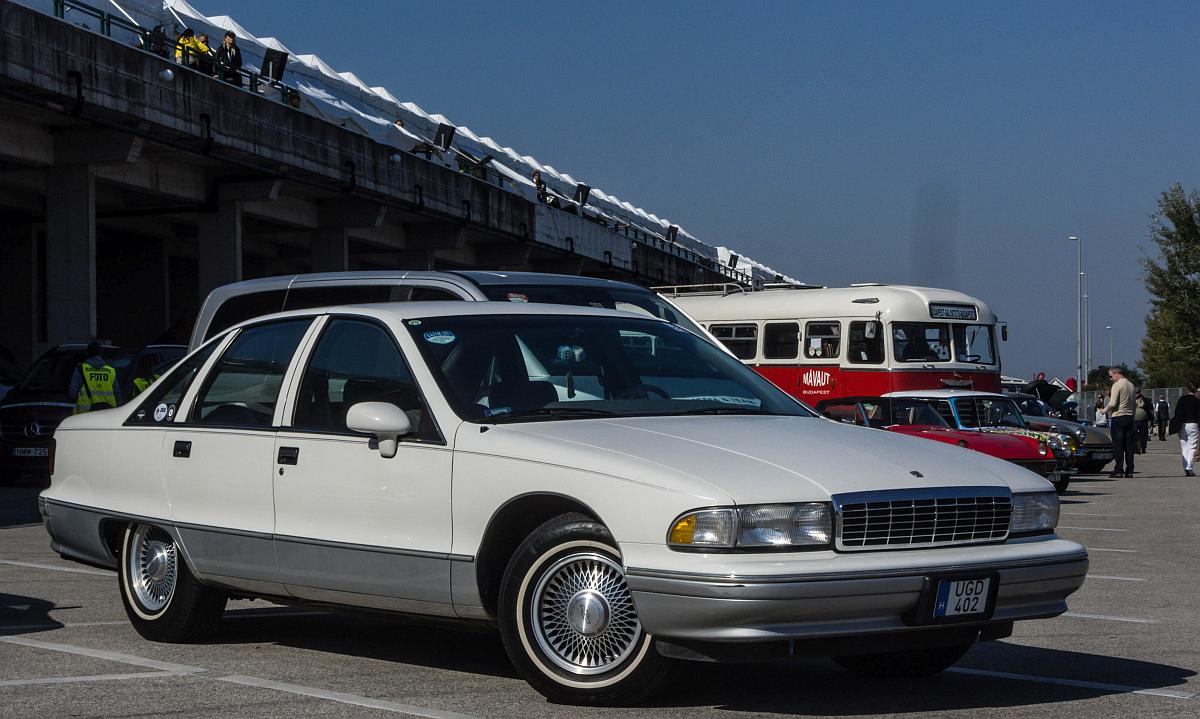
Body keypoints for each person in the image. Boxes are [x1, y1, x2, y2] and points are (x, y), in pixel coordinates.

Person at [68, 342, 122, 415]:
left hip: (84, 413)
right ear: (100, 353)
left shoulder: (80, 369)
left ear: (87, 353)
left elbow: (72, 393)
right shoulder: (110, 371)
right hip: (108, 411)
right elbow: (117, 393)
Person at [1105, 367, 1136, 478]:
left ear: (1116, 373)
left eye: (1111, 376)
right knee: (1129, 446)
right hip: (1130, 417)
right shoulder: (1131, 385)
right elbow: (1134, 404)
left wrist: (1104, 410)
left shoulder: (1117, 385)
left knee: (1118, 445)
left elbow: (1113, 403)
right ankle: (1130, 469)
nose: (1111, 379)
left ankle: (1118, 469)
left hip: (1118, 417)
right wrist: (1132, 416)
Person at [1171, 384, 1200, 477]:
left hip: (1182, 424)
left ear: (1187, 390)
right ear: (1196, 391)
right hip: (1194, 425)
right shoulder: (1197, 401)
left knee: (1184, 447)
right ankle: (1189, 467)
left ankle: (1186, 467)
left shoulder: (1182, 399)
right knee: (1192, 447)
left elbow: (1177, 412)